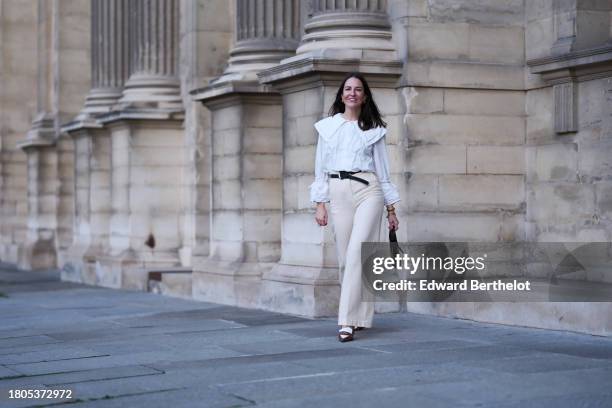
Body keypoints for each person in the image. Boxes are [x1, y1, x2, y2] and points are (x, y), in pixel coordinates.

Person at [310, 72, 400, 343]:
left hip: (368, 190)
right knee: (346, 258)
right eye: (347, 89)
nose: (352, 93)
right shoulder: (327, 128)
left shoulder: (374, 129)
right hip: (338, 192)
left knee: (359, 252)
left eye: (358, 89)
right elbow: (320, 169)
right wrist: (319, 203)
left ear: (364, 96)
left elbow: (383, 172)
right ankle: (358, 316)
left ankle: (347, 322)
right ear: (341, 95)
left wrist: (391, 209)